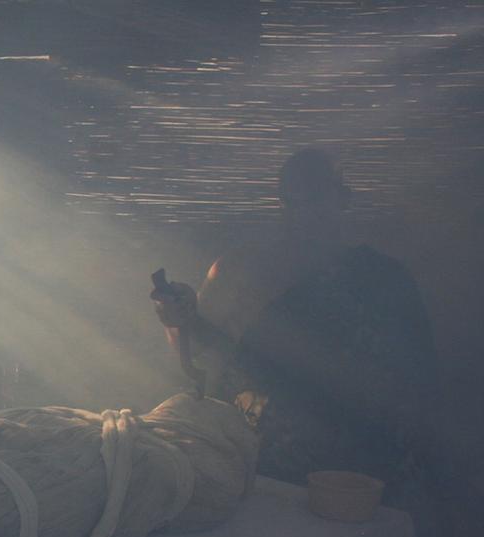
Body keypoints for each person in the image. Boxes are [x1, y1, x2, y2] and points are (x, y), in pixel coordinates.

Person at [151, 148, 439, 506]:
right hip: (265, 458)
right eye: (293, 201)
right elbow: (200, 358)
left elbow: (419, 381)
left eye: (315, 197)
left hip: (361, 464)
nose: (304, 212)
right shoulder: (241, 270)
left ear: (342, 199)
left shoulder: (385, 279)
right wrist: (180, 318)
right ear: (282, 203)